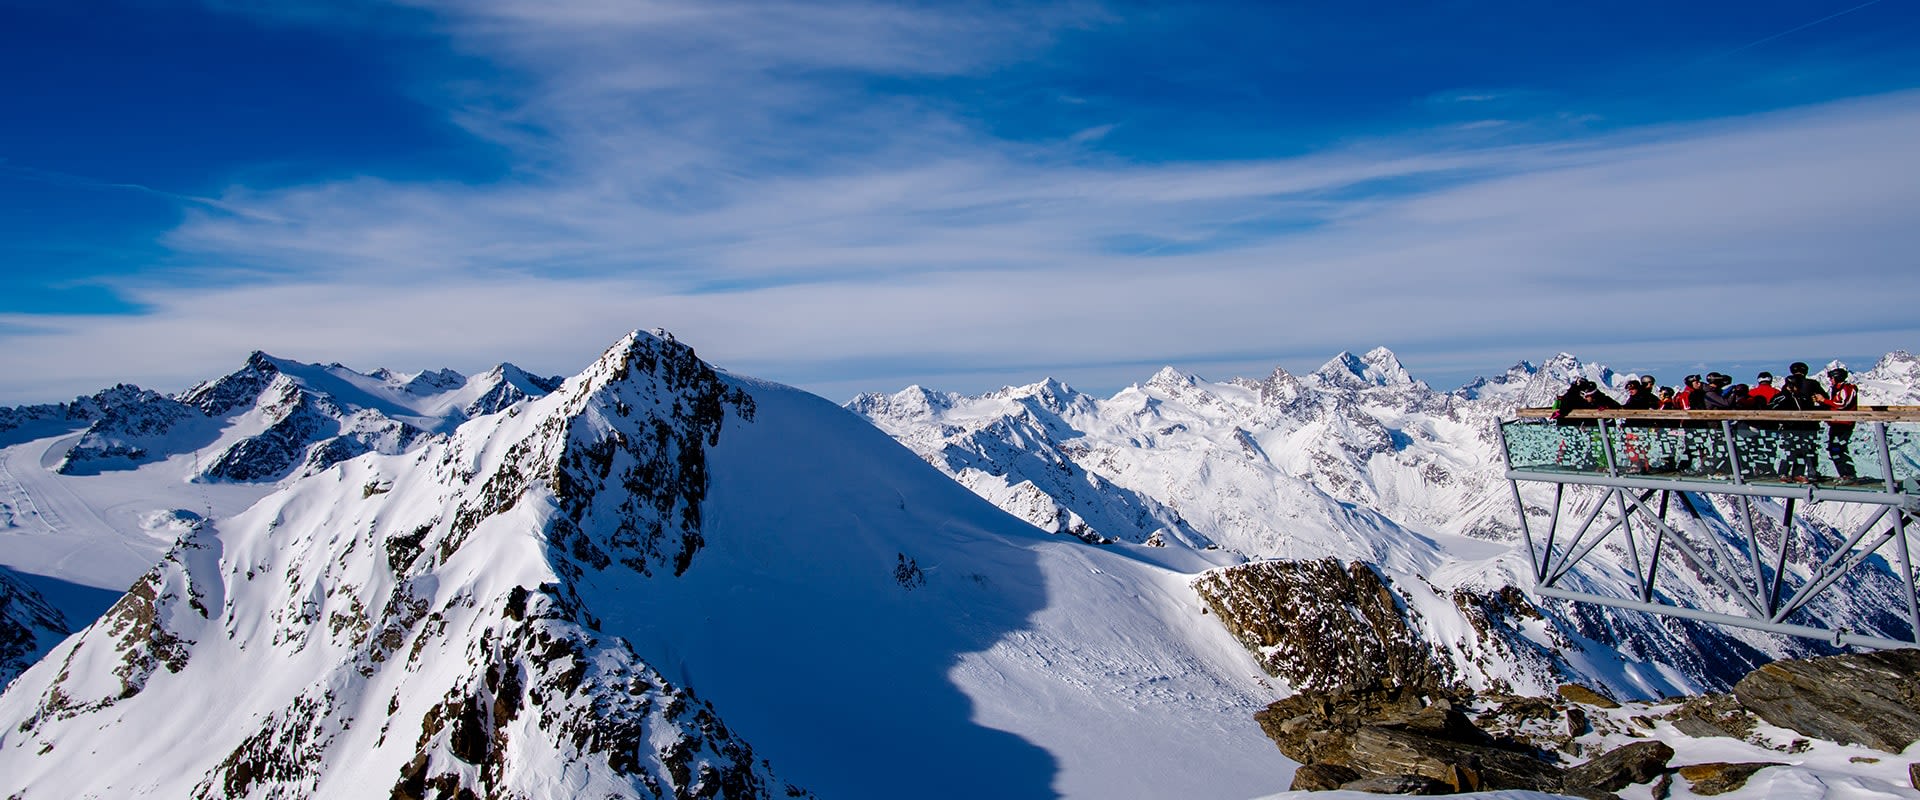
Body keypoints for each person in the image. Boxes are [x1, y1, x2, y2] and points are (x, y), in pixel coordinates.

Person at [1825, 367, 1859, 481]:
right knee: (1835, 448)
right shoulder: (1837, 389)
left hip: (1844, 424)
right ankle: (1845, 474)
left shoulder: (1847, 389)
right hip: (1836, 424)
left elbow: (1842, 404)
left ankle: (1848, 474)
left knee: (1838, 448)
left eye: (1832, 378)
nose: (1830, 380)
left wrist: (1824, 401)